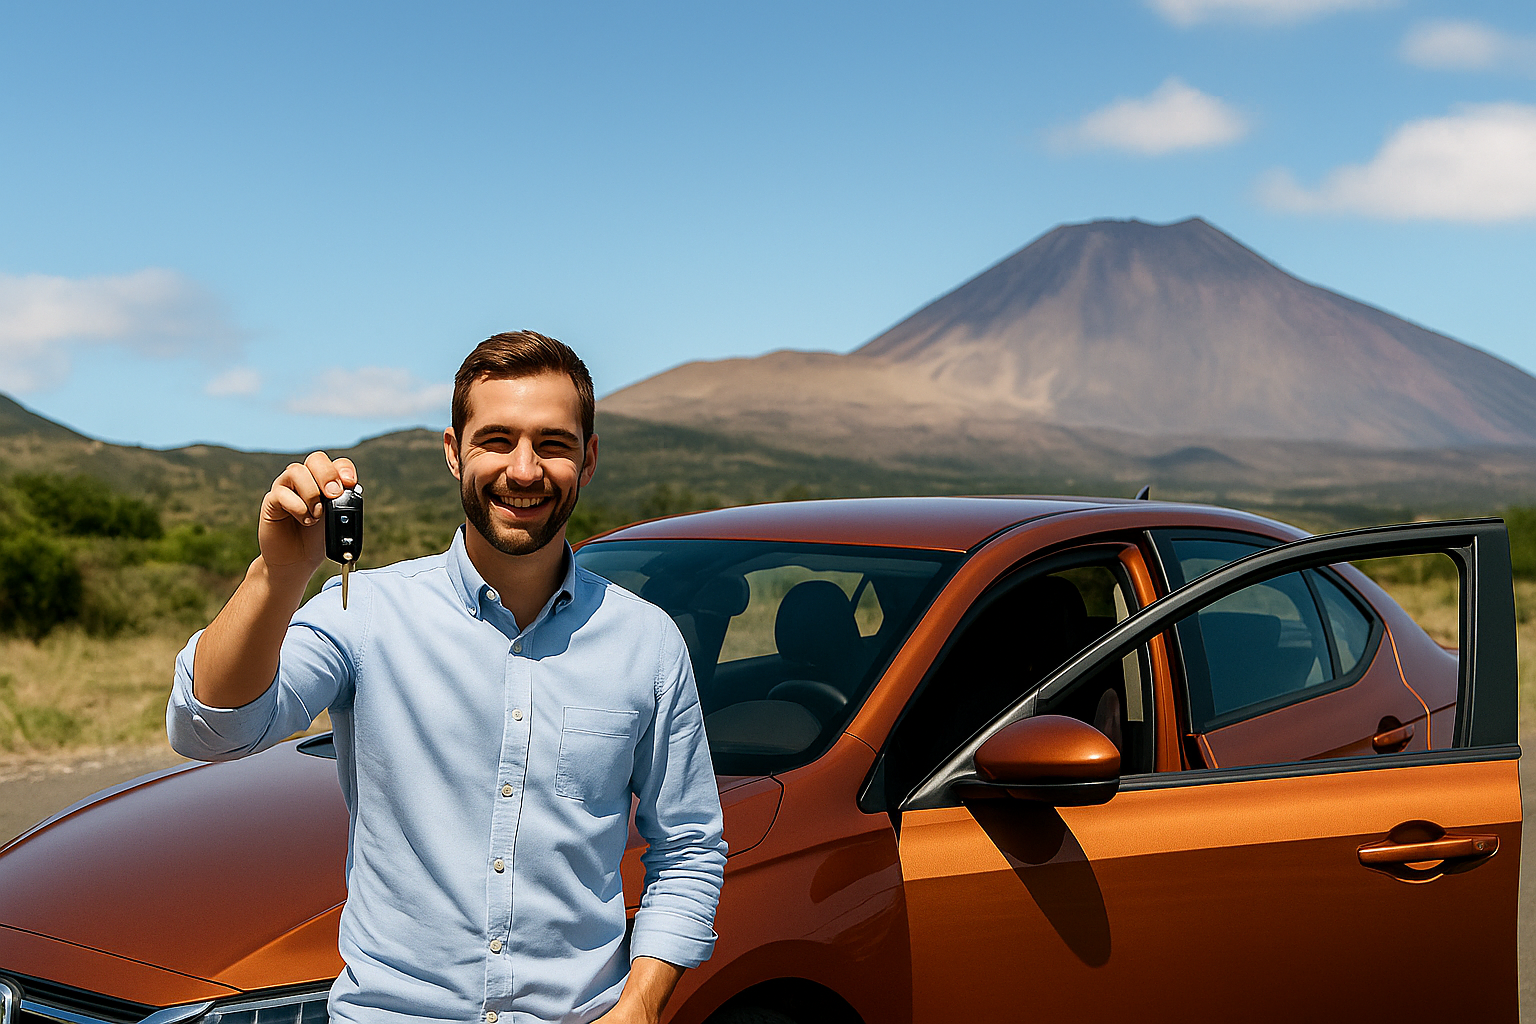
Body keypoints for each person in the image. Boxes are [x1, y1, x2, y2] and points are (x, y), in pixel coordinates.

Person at [168, 332, 726, 1024]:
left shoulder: (646, 643)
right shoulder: (363, 611)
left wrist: (639, 1006)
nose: (524, 470)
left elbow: (691, 847)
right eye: (496, 440)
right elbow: (212, 728)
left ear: (589, 459)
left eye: (552, 443)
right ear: (453, 451)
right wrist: (278, 573)